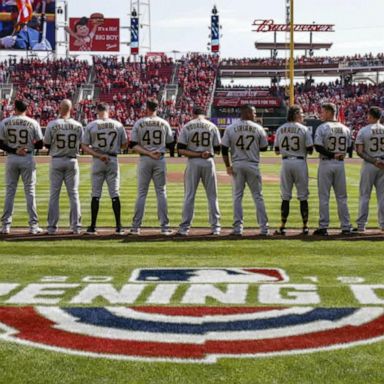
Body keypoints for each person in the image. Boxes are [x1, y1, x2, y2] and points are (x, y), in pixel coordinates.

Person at [221, 104, 270, 236]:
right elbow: (264, 148)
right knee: (258, 196)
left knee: (237, 197)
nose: (255, 115)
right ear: (247, 113)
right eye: (253, 113)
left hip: (237, 164)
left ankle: (238, 228)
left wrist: (227, 165)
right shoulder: (258, 128)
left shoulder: (231, 128)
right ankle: (264, 228)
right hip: (252, 164)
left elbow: (224, 148)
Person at [81, 103, 128, 235]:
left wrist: (98, 155)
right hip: (112, 159)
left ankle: (92, 226)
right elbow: (125, 145)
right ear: (109, 110)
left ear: (97, 111)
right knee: (115, 193)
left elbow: (84, 146)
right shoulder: (118, 124)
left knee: (95, 193)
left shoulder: (91, 125)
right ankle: (119, 226)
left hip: (97, 159)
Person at [129, 100, 174, 235]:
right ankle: (165, 227)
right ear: (157, 108)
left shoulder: (139, 122)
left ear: (146, 107)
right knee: (161, 192)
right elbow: (171, 144)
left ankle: (136, 227)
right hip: (159, 159)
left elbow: (133, 145)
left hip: (145, 158)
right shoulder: (164, 122)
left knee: (142, 193)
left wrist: (148, 152)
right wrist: (160, 150)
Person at [0, 99, 43, 234]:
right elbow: (40, 144)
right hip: (27, 157)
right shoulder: (33, 122)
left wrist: (14, 150)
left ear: (15, 108)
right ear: (26, 109)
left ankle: (6, 226)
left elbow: (0, 143)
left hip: (12, 158)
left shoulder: (5, 122)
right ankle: (33, 226)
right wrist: (28, 147)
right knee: (30, 191)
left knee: (10, 192)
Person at [177, 106, 221, 236]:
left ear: (193, 114)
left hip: (193, 162)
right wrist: (205, 153)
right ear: (204, 114)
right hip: (208, 162)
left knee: (189, 195)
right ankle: (216, 227)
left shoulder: (187, 126)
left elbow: (180, 149)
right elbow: (217, 149)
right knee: (212, 196)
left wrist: (197, 154)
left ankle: (185, 228)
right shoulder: (212, 126)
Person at [44, 99, 83, 235]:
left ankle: (52, 227)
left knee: (54, 194)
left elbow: (47, 144)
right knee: (74, 194)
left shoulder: (52, 124)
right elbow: (81, 144)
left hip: (57, 160)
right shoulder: (78, 125)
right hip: (72, 160)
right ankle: (76, 226)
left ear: (60, 108)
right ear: (71, 109)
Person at [313, 103, 352, 235]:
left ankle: (323, 226)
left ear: (330, 112)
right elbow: (349, 147)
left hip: (326, 162)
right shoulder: (345, 128)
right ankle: (346, 226)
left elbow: (318, 146)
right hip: (340, 164)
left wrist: (331, 154)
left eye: (323, 112)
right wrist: (339, 153)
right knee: (342, 197)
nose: (321, 114)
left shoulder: (322, 127)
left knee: (324, 196)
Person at [274, 105, 314, 235]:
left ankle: (282, 226)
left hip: (286, 162)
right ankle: (305, 226)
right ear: (296, 114)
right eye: (301, 113)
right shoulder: (303, 129)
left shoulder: (280, 129)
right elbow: (310, 149)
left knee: (285, 196)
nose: (302, 116)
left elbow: (276, 150)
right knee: (303, 196)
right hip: (300, 162)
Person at [354, 106, 384, 232]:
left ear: (370, 116)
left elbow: (360, 152)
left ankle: (361, 225)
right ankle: (383, 224)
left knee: (364, 195)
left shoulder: (364, 130)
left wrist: (374, 161)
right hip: (383, 165)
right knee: (382, 196)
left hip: (369, 164)